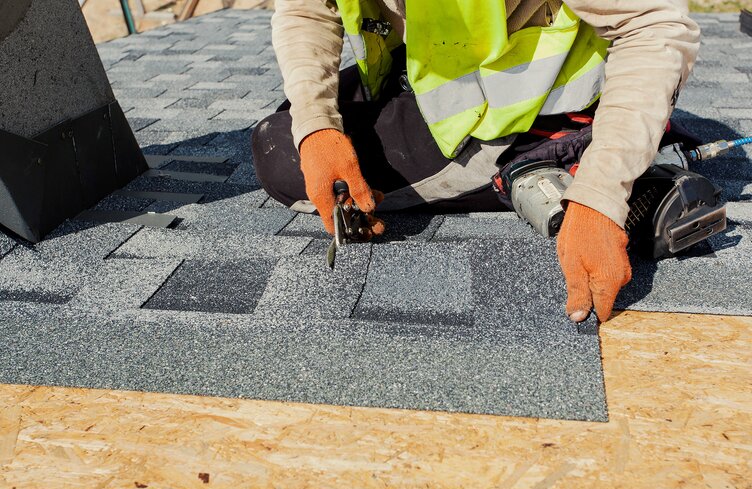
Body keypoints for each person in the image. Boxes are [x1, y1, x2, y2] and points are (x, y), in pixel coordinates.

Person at [251, 0, 700, 323]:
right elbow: (308, 8)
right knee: (295, 123)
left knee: (281, 157)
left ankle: (565, 148)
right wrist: (318, 127)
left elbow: (654, 25)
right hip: (437, 71)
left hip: (529, 102)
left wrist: (602, 194)